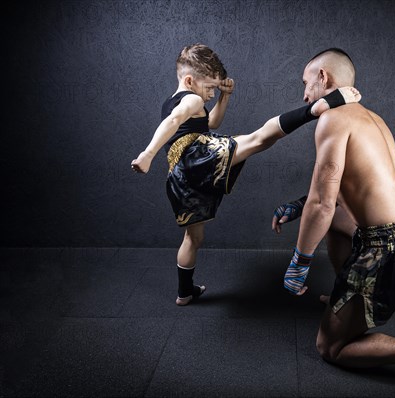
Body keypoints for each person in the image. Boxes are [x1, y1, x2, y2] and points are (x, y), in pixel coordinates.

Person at [271, 48, 395, 387]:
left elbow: (323, 203)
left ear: (324, 78)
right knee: (332, 218)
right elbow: (351, 187)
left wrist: (298, 264)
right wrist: (300, 204)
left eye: (306, 83)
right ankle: (343, 297)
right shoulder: (369, 117)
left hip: (387, 253)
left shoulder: (333, 120)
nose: (304, 95)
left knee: (330, 347)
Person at [131, 43, 361, 306]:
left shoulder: (175, 102)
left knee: (193, 237)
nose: (208, 96)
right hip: (195, 158)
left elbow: (210, 124)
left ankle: (184, 292)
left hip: (180, 179)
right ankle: (315, 109)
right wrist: (147, 154)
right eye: (209, 89)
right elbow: (172, 123)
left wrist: (224, 97)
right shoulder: (191, 98)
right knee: (258, 139)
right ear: (189, 80)